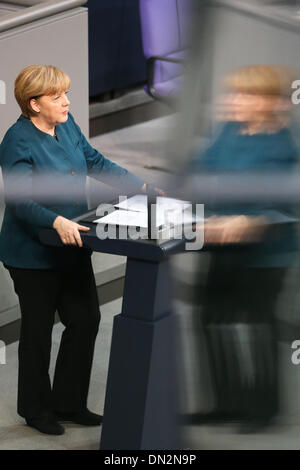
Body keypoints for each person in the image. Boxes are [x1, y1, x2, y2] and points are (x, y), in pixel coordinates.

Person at [0, 64, 153, 435]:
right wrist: (54, 221)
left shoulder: (66, 126)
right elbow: (20, 202)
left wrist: (142, 187)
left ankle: (69, 403)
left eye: (65, 94)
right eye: (58, 96)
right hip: (32, 255)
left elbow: (95, 162)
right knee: (37, 333)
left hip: (74, 243)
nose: (67, 101)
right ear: (34, 104)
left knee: (85, 320)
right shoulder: (16, 142)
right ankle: (36, 410)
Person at [189, 65, 298, 431]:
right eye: (233, 93)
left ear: (268, 103)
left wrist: (251, 221)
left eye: (244, 95)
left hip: (267, 254)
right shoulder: (228, 131)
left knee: (258, 324)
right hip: (223, 247)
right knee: (211, 321)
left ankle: (264, 409)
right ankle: (226, 403)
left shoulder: (285, 146)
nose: (233, 101)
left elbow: (288, 205)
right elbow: (202, 171)